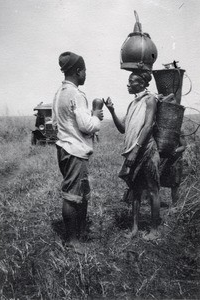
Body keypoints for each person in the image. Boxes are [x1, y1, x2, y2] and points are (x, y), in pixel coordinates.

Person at [52, 51, 103, 252]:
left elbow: (59, 122)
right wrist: (96, 116)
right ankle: (72, 241)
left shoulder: (59, 93)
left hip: (64, 148)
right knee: (72, 196)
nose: (85, 75)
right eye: (84, 71)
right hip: (75, 151)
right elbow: (86, 126)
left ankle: (79, 232)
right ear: (78, 71)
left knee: (78, 192)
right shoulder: (76, 94)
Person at [104, 71, 160, 240]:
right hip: (134, 153)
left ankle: (154, 230)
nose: (128, 85)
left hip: (147, 151)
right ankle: (134, 228)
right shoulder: (132, 104)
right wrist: (112, 111)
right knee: (135, 191)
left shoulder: (150, 100)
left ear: (142, 84)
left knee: (152, 191)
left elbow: (148, 126)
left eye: (131, 81)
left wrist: (135, 150)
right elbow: (123, 128)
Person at [160, 133, 186, 205]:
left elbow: (183, 146)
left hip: (175, 162)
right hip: (163, 161)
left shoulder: (178, 131)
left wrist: (175, 150)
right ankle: (152, 202)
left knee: (175, 184)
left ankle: (175, 205)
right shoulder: (162, 129)